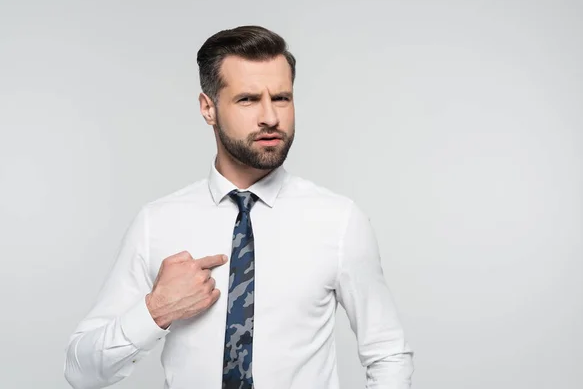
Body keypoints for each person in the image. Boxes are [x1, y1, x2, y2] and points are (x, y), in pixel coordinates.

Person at [63, 25, 414, 389]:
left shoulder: (339, 221)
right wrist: (157, 310)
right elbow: (81, 373)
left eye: (281, 98)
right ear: (208, 108)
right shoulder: (157, 223)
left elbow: (387, 355)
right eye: (247, 100)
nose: (271, 118)